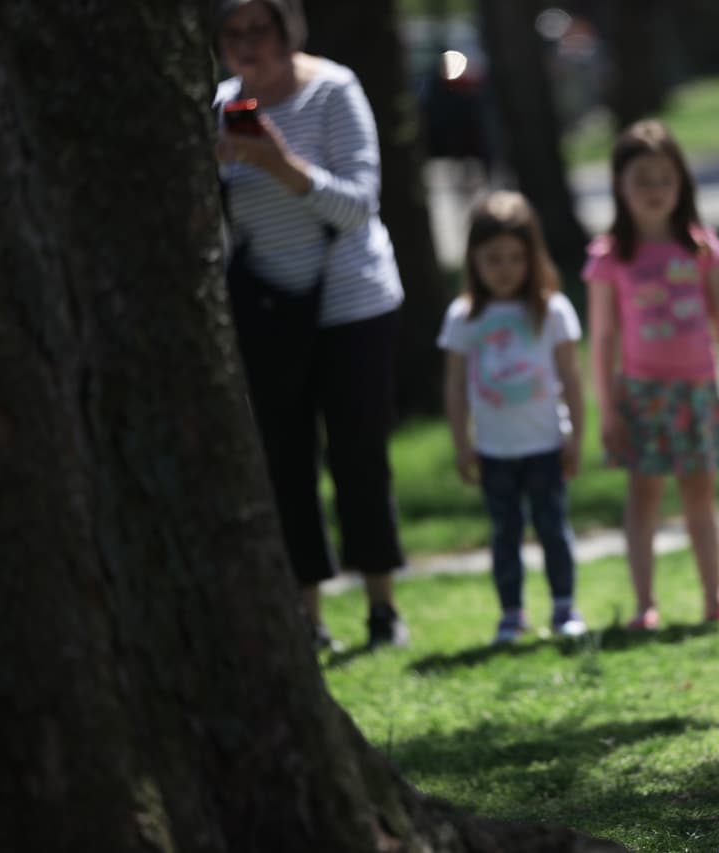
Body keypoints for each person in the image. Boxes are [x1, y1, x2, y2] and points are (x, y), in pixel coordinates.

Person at [212, 0, 408, 650]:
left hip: (352, 302)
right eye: (233, 34)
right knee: (286, 461)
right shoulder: (217, 106)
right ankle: (310, 618)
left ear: (287, 29)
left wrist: (281, 165)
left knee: (358, 455)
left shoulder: (334, 90)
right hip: (269, 311)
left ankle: (382, 609)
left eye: (258, 30)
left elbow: (358, 205)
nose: (247, 46)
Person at [583, 119, 719, 631]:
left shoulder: (700, 246)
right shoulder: (610, 256)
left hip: (698, 389)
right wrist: (607, 405)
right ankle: (645, 607)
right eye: (641, 179)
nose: (654, 191)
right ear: (619, 184)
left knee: (699, 493)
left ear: (682, 184)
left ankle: (715, 596)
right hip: (641, 394)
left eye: (665, 179)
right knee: (643, 495)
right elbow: (602, 338)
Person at [438, 192, 588, 645]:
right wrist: (462, 444)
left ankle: (564, 606)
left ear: (533, 257)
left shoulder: (552, 310)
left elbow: (571, 378)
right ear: (473, 260)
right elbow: (455, 387)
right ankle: (511, 614)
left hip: (544, 445)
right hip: (494, 450)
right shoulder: (464, 317)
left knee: (552, 529)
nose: (504, 268)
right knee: (505, 535)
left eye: (515, 258)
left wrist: (577, 436)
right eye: (492, 258)